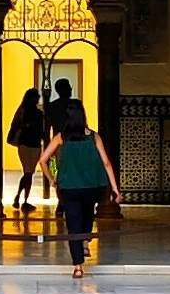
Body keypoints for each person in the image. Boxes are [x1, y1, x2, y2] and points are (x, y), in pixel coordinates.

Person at [46, 91, 121, 276]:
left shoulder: (61, 137)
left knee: (73, 223)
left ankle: (78, 266)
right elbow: (106, 163)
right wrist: (115, 189)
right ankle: (86, 241)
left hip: (69, 187)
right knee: (88, 214)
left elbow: (43, 160)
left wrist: (52, 178)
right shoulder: (94, 136)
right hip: (93, 186)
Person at [4, 80, 50, 218]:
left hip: (26, 144)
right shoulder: (37, 113)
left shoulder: (24, 111)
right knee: (29, 172)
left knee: (28, 172)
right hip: (33, 144)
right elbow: (42, 130)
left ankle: (21, 198)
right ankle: (22, 199)